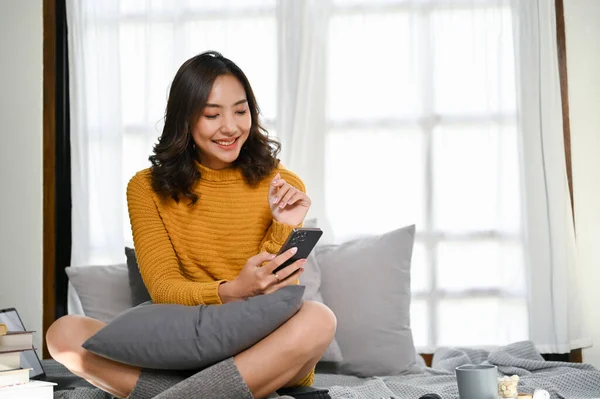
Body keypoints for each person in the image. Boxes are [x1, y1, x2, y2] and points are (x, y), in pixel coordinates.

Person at [46, 51, 337, 399]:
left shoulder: (284, 186)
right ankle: (221, 391)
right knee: (62, 333)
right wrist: (231, 290)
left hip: (261, 348)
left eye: (241, 111)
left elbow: (277, 298)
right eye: (212, 115)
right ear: (184, 119)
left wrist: (281, 226)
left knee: (319, 319)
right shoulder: (146, 188)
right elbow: (163, 288)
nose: (230, 127)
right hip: (184, 344)